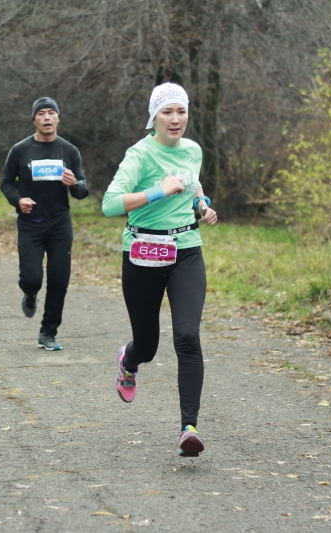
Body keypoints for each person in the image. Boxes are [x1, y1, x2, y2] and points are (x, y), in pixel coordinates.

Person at [101, 82, 218, 457]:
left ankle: (189, 428)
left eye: (181, 111)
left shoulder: (193, 150)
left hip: (186, 249)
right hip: (143, 253)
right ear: (154, 116)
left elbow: (194, 184)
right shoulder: (139, 155)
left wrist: (202, 205)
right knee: (148, 345)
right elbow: (110, 204)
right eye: (167, 112)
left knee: (187, 336)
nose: (175, 119)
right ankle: (128, 360)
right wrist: (160, 191)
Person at [0, 97, 89, 351]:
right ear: (34, 120)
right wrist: (18, 201)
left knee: (59, 280)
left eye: (51, 113)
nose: (47, 117)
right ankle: (30, 294)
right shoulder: (20, 150)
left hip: (60, 224)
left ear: (58, 118)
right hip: (30, 224)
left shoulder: (69, 151)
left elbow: (82, 191)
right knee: (32, 279)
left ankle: (48, 332)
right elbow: (5, 183)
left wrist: (74, 184)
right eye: (41, 113)